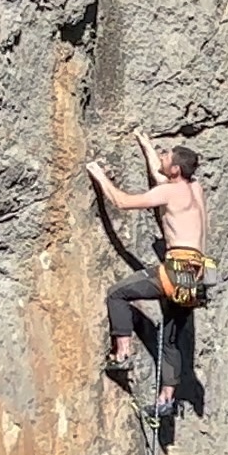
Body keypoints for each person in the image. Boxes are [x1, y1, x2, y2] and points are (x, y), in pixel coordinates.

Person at [91, 141, 209, 422]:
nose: (163, 156)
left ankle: (122, 353)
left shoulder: (170, 190)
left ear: (176, 168)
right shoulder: (195, 189)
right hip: (197, 276)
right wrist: (145, 146)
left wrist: (97, 173)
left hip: (176, 268)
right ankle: (166, 398)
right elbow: (163, 179)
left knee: (117, 294)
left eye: (166, 156)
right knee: (170, 336)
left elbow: (122, 202)